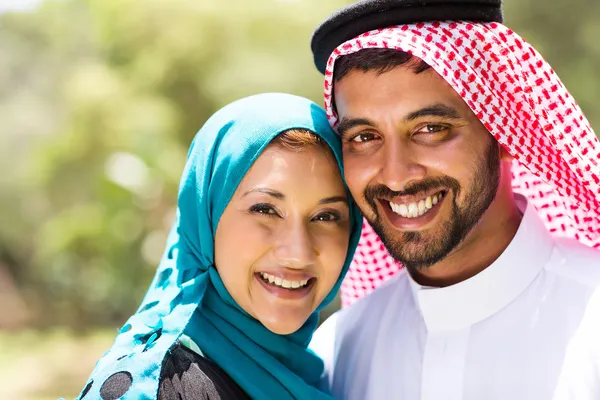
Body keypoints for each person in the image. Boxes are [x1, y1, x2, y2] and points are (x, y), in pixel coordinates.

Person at [308, 1, 600, 399]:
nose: (395, 175)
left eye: (430, 128)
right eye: (364, 137)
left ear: (504, 129)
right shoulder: (337, 351)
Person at [74, 93, 362, 400]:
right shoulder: (155, 387)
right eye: (265, 209)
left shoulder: (327, 374)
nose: (297, 252)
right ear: (206, 219)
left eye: (326, 216)